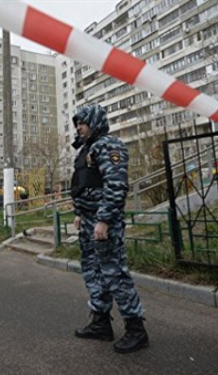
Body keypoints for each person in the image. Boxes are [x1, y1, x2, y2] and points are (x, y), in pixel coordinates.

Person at [70, 104, 149, 354]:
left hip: (105, 222)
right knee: (93, 272)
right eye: (76, 124)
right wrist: (79, 214)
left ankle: (137, 330)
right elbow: (84, 184)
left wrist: (103, 219)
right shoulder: (87, 149)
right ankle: (101, 324)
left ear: (94, 121)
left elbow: (116, 186)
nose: (79, 127)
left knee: (115, 273)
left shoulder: (109, 145)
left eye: (82, 122)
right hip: (89, 220)